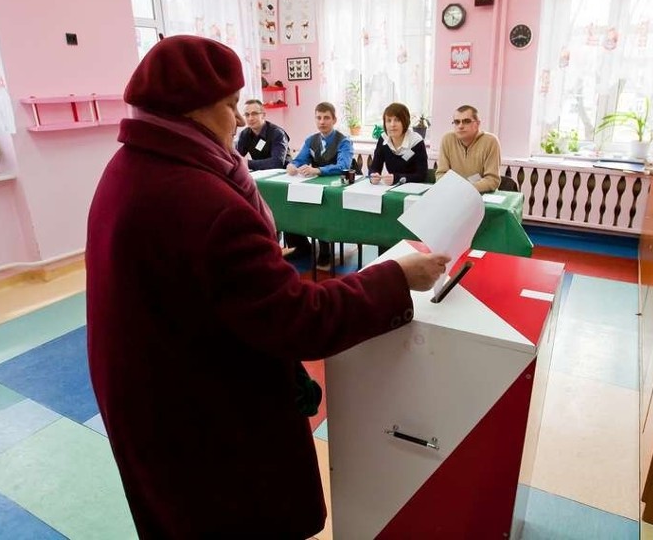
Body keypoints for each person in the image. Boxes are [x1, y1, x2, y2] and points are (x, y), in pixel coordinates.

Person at [85, 35, 448, 539]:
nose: (238, 119)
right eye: (230, 105)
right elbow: (299, 320)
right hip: (200, 410)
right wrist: (397, 278)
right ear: (189, 111)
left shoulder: (126, 167)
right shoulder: (205, 201)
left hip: (146, 394)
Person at [286, 102, 354, 267]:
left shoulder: (344, 141)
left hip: (338, 187)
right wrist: (292, 165)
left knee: (322, 209)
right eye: (318, 118)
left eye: (326, 118)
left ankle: (325, 250)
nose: (322, 121)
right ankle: (300, 246)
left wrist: (318, 170)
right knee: (290, 202)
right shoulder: (311, 140)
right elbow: (300, 159)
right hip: (314, 186)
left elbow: (343, 166)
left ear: (334, 120)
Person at [436, 104, 502, 192]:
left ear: (477, 124)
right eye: (457, 122)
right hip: (454, 193)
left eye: (466, 121)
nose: (460, 126)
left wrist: (466, 189)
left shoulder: (491, 141)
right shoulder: (447, 140)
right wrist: (456, 189)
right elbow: (441, 174)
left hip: (481, 195)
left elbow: (492, 180)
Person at [369, 102, 428, 185]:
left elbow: (421, 175)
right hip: (391, 188)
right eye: (388, 120)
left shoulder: (416, 141)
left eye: (397, 120)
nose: (392, 125)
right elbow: (374, 167)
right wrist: (373, 176)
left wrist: (397, 178)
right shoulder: (383, 139)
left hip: (412, 189)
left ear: (405, 122)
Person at [235, 98, 291, 170]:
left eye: (254, 114)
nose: (250, 118)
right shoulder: (244, 134)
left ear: (263, 115)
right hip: (259, 175)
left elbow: (277, 163)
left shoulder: (277, 133)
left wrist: (246, 163)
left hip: (282, 175)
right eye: (247, 115)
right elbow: (235, 158)